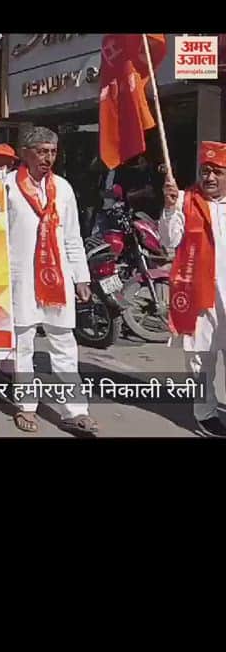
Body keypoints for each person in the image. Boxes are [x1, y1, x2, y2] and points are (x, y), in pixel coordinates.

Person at [3, 127, 97, 435]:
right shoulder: (6, 188)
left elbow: (73, 236)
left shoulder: (64, 188)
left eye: (53, 151)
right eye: (42, 151)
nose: (48, 157)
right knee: (23, 345)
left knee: (64, 344)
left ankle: (76, 410)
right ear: (25, 153)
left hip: (58, 279)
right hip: (21, 279)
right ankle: (26, 406)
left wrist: (81, 277)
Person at [160, 142, 226, 438]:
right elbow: (169, 241)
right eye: (206, 171)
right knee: (201, 357)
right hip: (199, 292)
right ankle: (205, 413)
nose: (210, 177)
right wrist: (170, 207)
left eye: (217, 172)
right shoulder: (185, 199)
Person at [114, 153, 161, 220]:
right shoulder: (132, 174)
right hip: (135, 215)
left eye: (142, 161)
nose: (139, 165)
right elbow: (128, 195)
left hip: (151, 215)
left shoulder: (153, 174)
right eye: (139, 162)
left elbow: (153, 193)